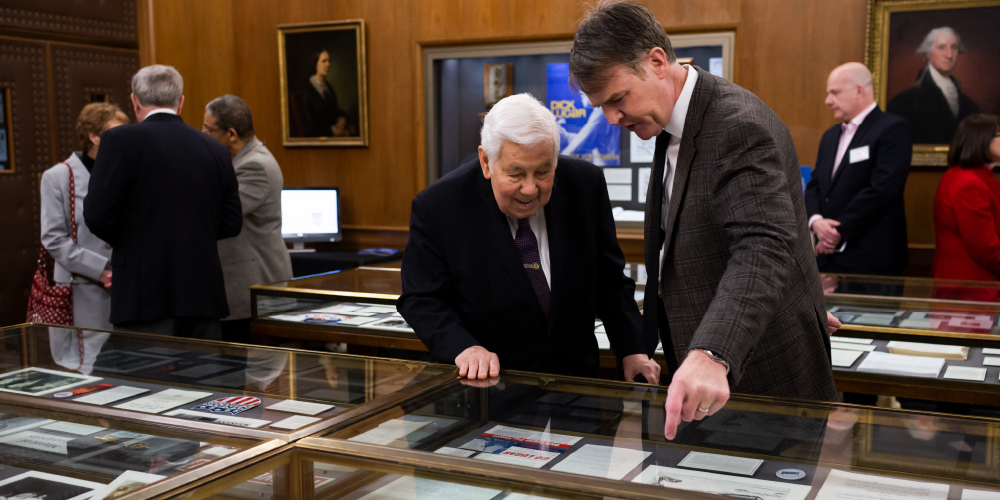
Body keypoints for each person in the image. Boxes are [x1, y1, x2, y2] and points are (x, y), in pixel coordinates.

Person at [569, 0, 837, 439]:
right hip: (707, 378)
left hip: (760, 380)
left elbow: (763, 246)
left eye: (617, 99)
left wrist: (713, 352)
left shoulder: (736, 125)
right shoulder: (673, 121)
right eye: (602, 107)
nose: (613, 118)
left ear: (657, 61)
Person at [398, 93, 660, 383]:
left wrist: (632, 350)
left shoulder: (585, 185)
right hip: (491, 388)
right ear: (486, 161)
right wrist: (464, 348)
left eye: (543, 171)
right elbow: (421, 298)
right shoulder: (440, 206)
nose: (530, 188)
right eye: (517, 173)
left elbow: (609, 280)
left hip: (576, 383)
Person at [84, 65, 242, 339]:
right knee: (202, 381)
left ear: (135, 101)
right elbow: (231, 222)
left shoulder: (118, 140)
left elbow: (97, 215)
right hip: (201, 294)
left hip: (141, 293)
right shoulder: (216, 149)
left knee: (143, 381)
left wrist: (135, 240)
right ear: (180, 101)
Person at [805, 63, 912, 276]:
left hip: (872, 260)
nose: (828, 101)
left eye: (834, 93)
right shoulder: (830, 136)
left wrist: (838, 232)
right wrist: (816, 222)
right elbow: (815, 185)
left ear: (859, 90)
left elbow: (882, 188)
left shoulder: (892, 129)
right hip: (827, 257)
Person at [203, 95, 293, 343]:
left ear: (231, 133)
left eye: (207, 129)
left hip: (253, 286)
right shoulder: (240, 160)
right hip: (245, 288)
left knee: (252, 375)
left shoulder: (255, 166)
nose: (202, 134)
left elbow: (217, 214)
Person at [41, 102, 129, 331]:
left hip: (127, 286)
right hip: (81, 286)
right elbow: (53, 238)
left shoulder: (129, 172)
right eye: (115, 133)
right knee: (87, 363)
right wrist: (101, 272)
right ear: (93, 137)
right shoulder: (58, 177)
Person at [932, 114, 1000, 282]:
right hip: (973, 287)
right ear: (981, 140)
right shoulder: (970, 184)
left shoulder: (963, 175)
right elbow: (985, 248)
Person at [887, 27, 980, 144]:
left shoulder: (970, 106)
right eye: (941, 47)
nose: (949, 55)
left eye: (954, 47)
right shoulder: (903, 102)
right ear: (927, 53)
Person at [294, 49, 351, 137]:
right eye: (324, 61)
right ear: (315, 64)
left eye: (328, 61)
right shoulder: (306, 90)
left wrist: (341, 120)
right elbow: (310, 125)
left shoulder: (328, 87)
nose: (328, 64)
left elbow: (334, 110)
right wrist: (332, 130)